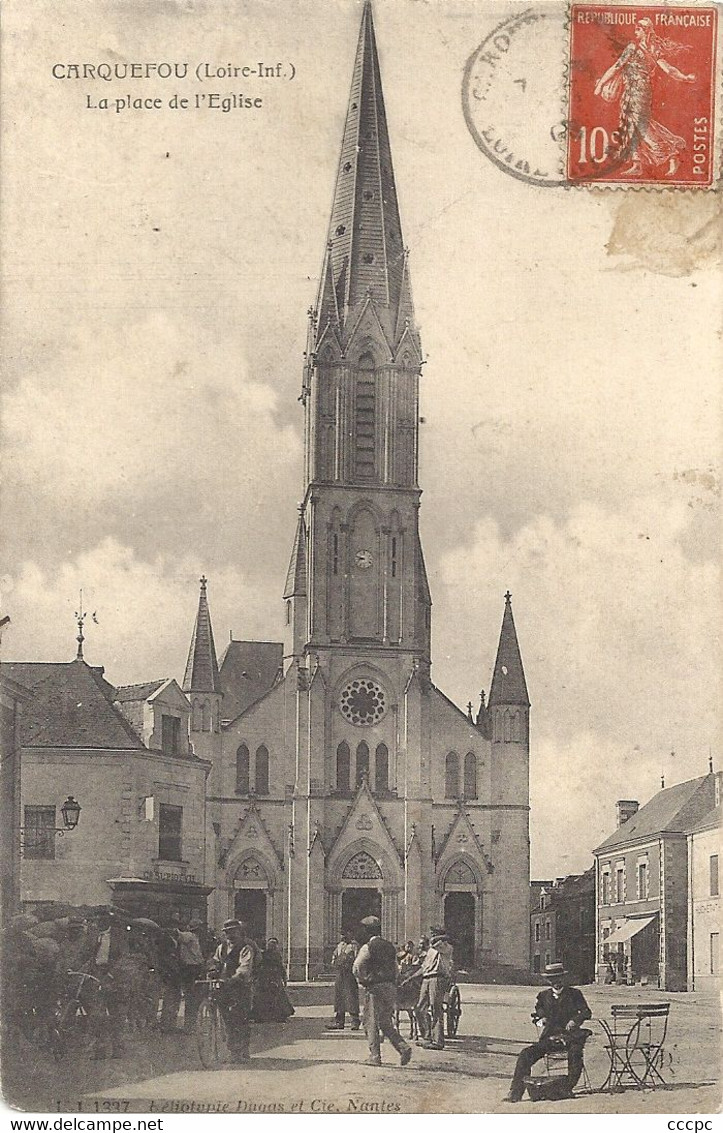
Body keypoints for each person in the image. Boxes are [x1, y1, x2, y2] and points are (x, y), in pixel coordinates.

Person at [593, 17, 695, 177]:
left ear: (646, 31)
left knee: (641, 125)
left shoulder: (635, 48)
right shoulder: (648, 49)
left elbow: (617, 67)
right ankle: (637, 163)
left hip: (639, 92)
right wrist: (685, 77)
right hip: (631, 91)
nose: (635, 32)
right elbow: (668, 70)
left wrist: (600, 85)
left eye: (638, 29)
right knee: (630, 124)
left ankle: (670, 154)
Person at [504, 963, 592, 1103]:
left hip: (571, 1037)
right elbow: (539, 1010)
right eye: (552, 979)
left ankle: (566, 1087)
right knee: (525, 1054)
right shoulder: (543, 996)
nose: (556, 982)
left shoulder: (575, 994)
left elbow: (586, 1012)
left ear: (564, 978)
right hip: (549, 1038)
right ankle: (515, 1092)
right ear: (548, 980)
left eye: (558, 978)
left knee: (575, 1053)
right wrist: (542, 1017)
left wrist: (575, 1020)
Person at [352, 915, 412, 1068]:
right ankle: (403, 1047)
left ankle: (375, 1056)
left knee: (370, 1021)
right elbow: (396, 968)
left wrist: (362, 979)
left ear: (367, 931)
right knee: (385, 1021)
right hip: (390, 987)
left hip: (375, 988)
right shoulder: (390, 947)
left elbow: (357, 966)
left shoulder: (368, 947)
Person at [209, 919, 257, 1062]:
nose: (230, 935)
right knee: (227, 1020)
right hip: (224, 987)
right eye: (227, 932)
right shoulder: (221, 947)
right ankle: (234, 1050)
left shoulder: (245, 948)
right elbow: (216, 961)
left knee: (240, 1018)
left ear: (240, 932)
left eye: (233, 931)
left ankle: (241, 1051)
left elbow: (245, 967)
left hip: (240, 987)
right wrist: (212, 969)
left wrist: (235, 978)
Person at [415, 927, 454, 1049]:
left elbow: (434, 943)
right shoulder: (431, 950)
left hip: (437, 978)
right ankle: (427, 1036)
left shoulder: (446, 947)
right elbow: (424, 968)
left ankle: (438, 1041)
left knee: (435, 1008)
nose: (431, 936)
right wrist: (411, 977)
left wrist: (439, 937)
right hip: (426, 978)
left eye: (434, 933)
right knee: (419, 1008)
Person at [254, 938, 295, 1023]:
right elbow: (258, 965)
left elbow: (281, 967)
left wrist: (284, 978)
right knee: (263, 997)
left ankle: (280, 1016)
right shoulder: (263, 954)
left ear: (276, 946)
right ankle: (261, 1016)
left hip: (275, 977)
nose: (271, 946)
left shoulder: (277, 955)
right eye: (270, 944)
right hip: (265, 978)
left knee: (278, 997)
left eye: (273, 944)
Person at [176, 921, 205, 1031]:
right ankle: (189, 1025)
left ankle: (191, 1024)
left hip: (194, 968)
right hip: (191, 969)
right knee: (192, 997)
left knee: (194, 997)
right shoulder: (189, 936)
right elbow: (179, 935)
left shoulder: (195, 938)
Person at [329, 929, 360, 1030]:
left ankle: (355, 1021)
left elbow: (358, 960)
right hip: (340, 974)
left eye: (345, 934)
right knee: (339, 998)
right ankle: (339, 1021)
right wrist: (334, 961)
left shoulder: (354, 946)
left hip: (349, 974)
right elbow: (334, 957)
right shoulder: (340, 945)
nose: (343, 936)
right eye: (341, 935)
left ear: (350, 934)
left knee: (351, 997)